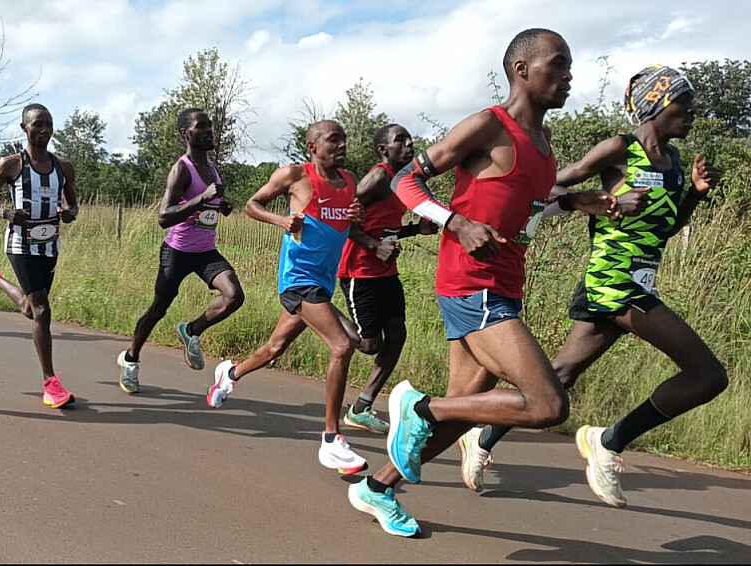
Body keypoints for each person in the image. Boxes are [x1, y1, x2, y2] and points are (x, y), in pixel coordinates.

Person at [347, 29, 618, 537]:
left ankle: (376, 487)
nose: (568, 75)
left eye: (569, 65)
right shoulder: (488, 126)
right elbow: (405, 181)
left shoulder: (544, 146)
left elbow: (526, 211)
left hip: (505, 284)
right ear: (522, 69)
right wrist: (456, 222)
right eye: (558, 63)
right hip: (472, 283)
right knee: (548, 403)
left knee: (465, 408)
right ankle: (418, 407)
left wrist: (571, 202)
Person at [458, 64, 728, 508]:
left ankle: (481, 438)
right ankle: (608, 441)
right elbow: (548, 187)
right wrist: (600, 202)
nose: (692, 112)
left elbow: (665, 227)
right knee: (708, 375)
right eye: (683, 103)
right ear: (656, 104)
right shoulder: (620, 149)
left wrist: (695, 194)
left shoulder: (674, 162)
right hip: (614, 281)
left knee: (561, 376)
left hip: (638, 281)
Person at [206, 120, 370, 475]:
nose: (342, 145)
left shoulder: (350, 181)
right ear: (312, 147)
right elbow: (252, 205)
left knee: (275, 348)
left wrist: (360, 220)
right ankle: (332, 440)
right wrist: (281, 220)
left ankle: (230, 374)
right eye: (333, 140)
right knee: (342, 345)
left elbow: (349, 228)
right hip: (297, 280)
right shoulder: (295, 176)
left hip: (322, 284)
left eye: (344, 139)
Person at [116, 108, 244, 393]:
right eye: (201, 126)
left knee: (234, 296)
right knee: (158, 309)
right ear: (186, 133)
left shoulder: (213, 168)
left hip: (206, 251)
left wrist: (220, 207)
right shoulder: (181, 169)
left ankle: (192, 330)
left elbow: (205, 207)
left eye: (210, 125)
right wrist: (202, 199)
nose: (208, 131)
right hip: (177, 251)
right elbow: (164, 217)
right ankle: (131, 359)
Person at [0, 103, 78, 409]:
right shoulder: (11, 165)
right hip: (20, 244)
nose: (44, 130)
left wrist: (69, 212)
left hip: (49, 246)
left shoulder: (64, 167)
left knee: (31, 309)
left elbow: (73, 203)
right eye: (37, 125)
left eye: (49, 125)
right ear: (24, 128)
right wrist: (5, 213)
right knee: (43, 311)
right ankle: (50, 384)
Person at [337, 124, 438, 435]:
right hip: (359, 272)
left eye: (410, 139)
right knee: (370, 345)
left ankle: (361, 407)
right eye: (400, 140)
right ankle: (318, 314)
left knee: (397, 335)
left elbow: (386, 229)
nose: (409, 144)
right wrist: (373, 246)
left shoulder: (404, 180)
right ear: (384, 149)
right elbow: (340, 218)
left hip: (386, 272)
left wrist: (415, 230)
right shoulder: (378, 178)